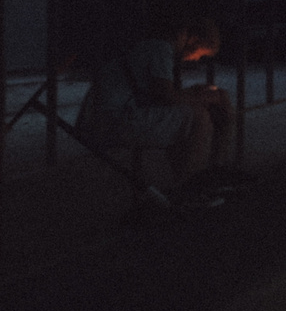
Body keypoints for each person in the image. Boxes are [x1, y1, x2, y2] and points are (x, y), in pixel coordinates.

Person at [77, 16, 236, 208]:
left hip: (108, 117)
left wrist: (194, 93)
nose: (196, 59)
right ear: (193, 40)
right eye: (200, 54)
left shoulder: (151, 47)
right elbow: (166, 96)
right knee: (197, 117)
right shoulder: (160, 50)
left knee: (188, 117)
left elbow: (159, 93)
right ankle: (192, 189)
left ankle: (196, 181)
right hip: (115, 121)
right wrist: (204, 98)